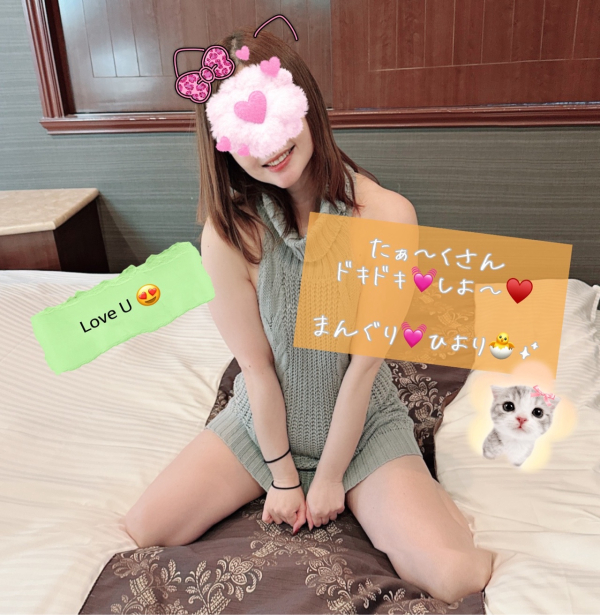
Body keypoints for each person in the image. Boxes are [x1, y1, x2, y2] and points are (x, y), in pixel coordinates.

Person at [124, 27, 494, 605]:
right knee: (147, 528)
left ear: (305, 103)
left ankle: (428, 498)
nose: (270, 144)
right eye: (246, 128)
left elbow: (364, 367)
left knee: (456, 577)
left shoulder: (386, 216)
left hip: (362, 425)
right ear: (223, 141)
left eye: (276, 114)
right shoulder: (228, 234)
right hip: (263, 422)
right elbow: (255, 367)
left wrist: (329, 479)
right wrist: (282, 476)